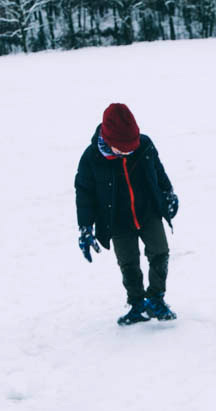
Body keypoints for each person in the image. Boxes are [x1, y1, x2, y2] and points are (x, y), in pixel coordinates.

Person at [75, 103, 179, 325]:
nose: (129, 152)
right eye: (123, 149)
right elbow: (84, 195)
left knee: (160, 252)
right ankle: (137, 303)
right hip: (117, 221)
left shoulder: (145, 145)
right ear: (109, 140)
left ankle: (156, 299)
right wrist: (85, 227)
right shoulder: (91, 158)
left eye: (132, 147)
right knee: (128, 262)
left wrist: (168, 193)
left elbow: (158, 172)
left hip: (148, 212)